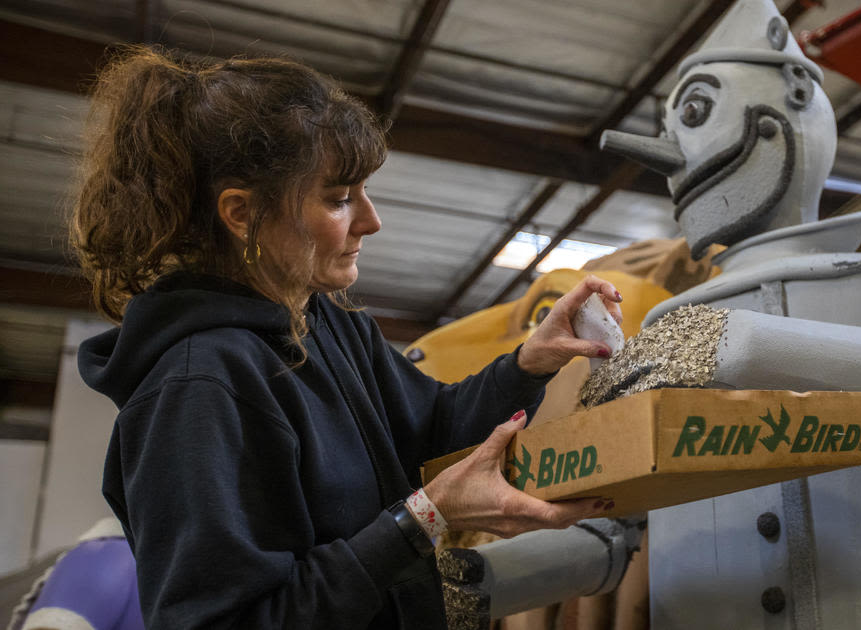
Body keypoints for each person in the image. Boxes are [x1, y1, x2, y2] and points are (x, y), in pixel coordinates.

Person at [70, 46, 622, 630]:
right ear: (241, 212)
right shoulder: (197, 387)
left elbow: (435, 432)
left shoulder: (330, 322)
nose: (371, 219)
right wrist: (423, 520)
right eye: (338, 199)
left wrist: (529, 363)